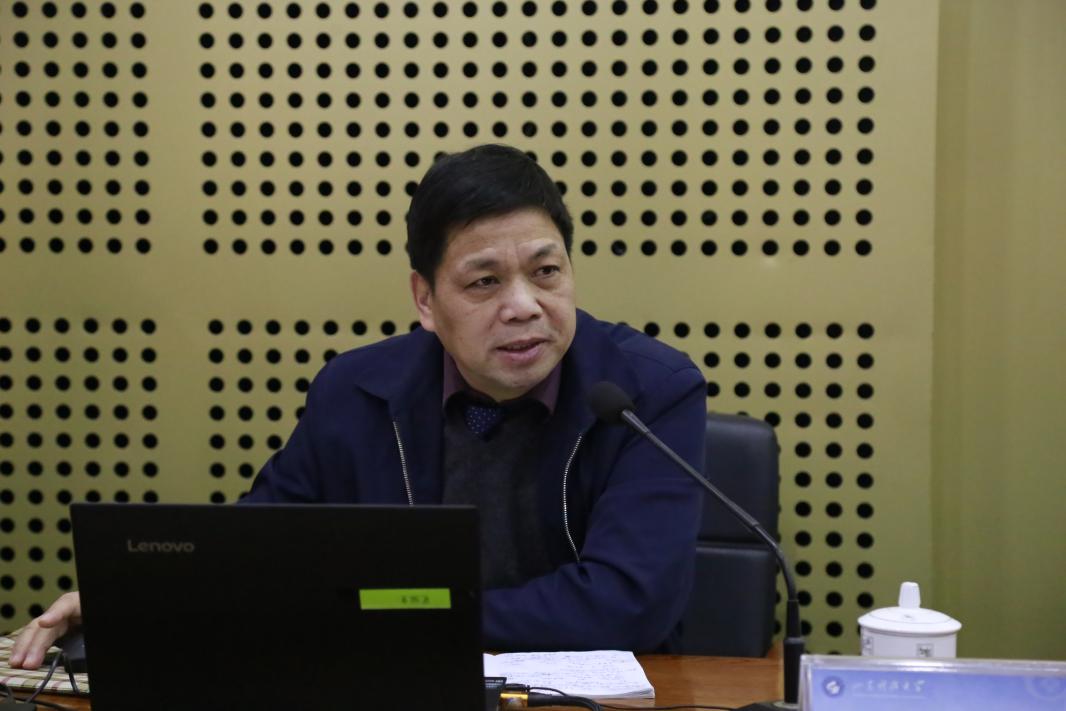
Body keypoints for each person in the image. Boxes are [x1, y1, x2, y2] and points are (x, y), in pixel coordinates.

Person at [10, 144, 705, 669]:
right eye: (485, 282)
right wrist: (141, 599)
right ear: (425, 300)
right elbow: (259, 548)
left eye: (546, 272)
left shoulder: (648, 392)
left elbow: (627, 602)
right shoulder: (357, 390)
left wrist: (398, 616)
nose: (524, 305)